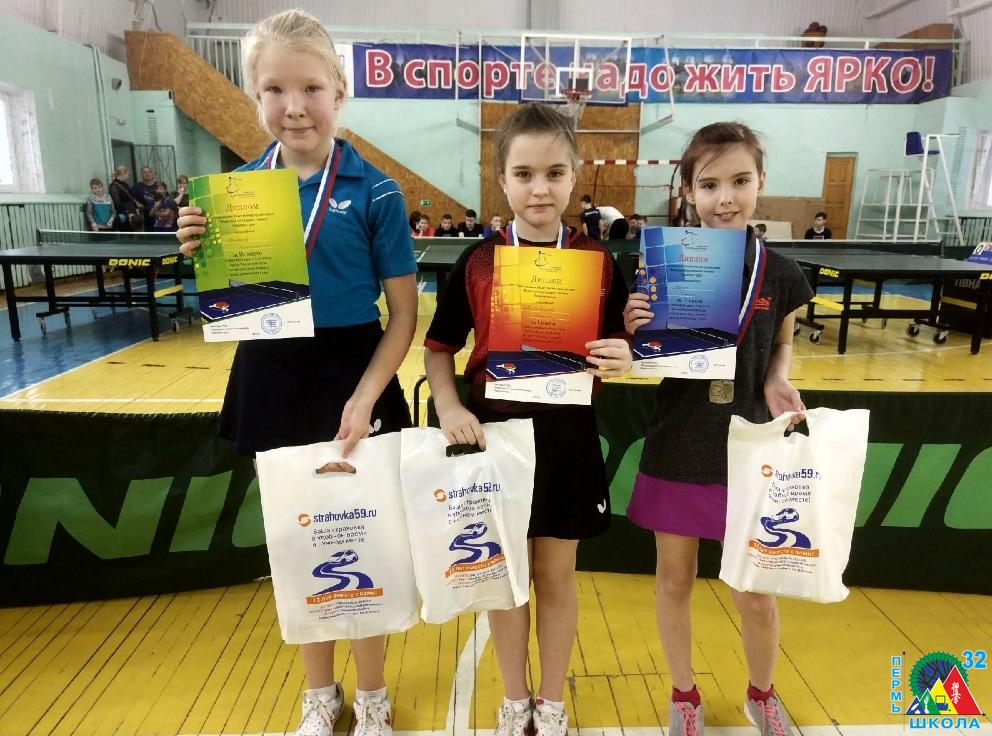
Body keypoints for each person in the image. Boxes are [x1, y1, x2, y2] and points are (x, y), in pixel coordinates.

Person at [175, 9, 417, 736]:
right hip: (272, 375)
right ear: (255, 97)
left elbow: (403, 316)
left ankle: (371, 693)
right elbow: (230, 303)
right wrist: (200, 249)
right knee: (296, 541)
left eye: (311, 87)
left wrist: (366, 396)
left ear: (339, 91)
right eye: (274, 89)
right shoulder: (233, 194)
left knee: (364, 540)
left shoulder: (377, 192)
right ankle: (320, 693)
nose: (294, 106)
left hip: (354, 372)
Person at [423, 103, 632, 736]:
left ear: (574, 177)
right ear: (502, 179)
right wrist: (450, 405)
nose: (540, 189)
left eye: (554, 173)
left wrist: (625, 355)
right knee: (507, 579)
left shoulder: (599, 262)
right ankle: (515, 701)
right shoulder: (478, 262)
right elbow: (439, 349)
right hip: (497, 441)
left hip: (568, 441)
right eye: (524, 174)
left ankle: (551, 699)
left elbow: (624, 344)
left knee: (557, 578)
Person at [622, 122, 813, 736]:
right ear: (688, 191)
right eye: (708, 185)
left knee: (754, 591)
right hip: (679, 442)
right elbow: (647, 355)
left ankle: (762, 692)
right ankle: (684, 694)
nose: (725, 198)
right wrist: (635, 327)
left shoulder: (781, 272)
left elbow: (781, 342)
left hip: (748, 446)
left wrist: (776, 378)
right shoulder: (664, 261)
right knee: (674, 581)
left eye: (739, 181)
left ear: (761, 182)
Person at [108, 165, 142, 231]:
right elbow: (116, 202)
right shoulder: (114, 186)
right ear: (123, 174)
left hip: (132, 213)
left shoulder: (125, 184)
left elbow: (131, 197)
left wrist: (136, 208)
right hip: (124, 215)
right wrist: (127, 212)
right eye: (127, 174)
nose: (128, 177)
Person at [132, 165, 158, 230]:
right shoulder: (136, 187)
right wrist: (136, 203)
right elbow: (129, 198)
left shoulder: (159, 186)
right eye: (144, 172)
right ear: (141, 174)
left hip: (159, 217)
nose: (147, 174)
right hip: (144, 218)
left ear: (153, 174)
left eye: (149, 172)